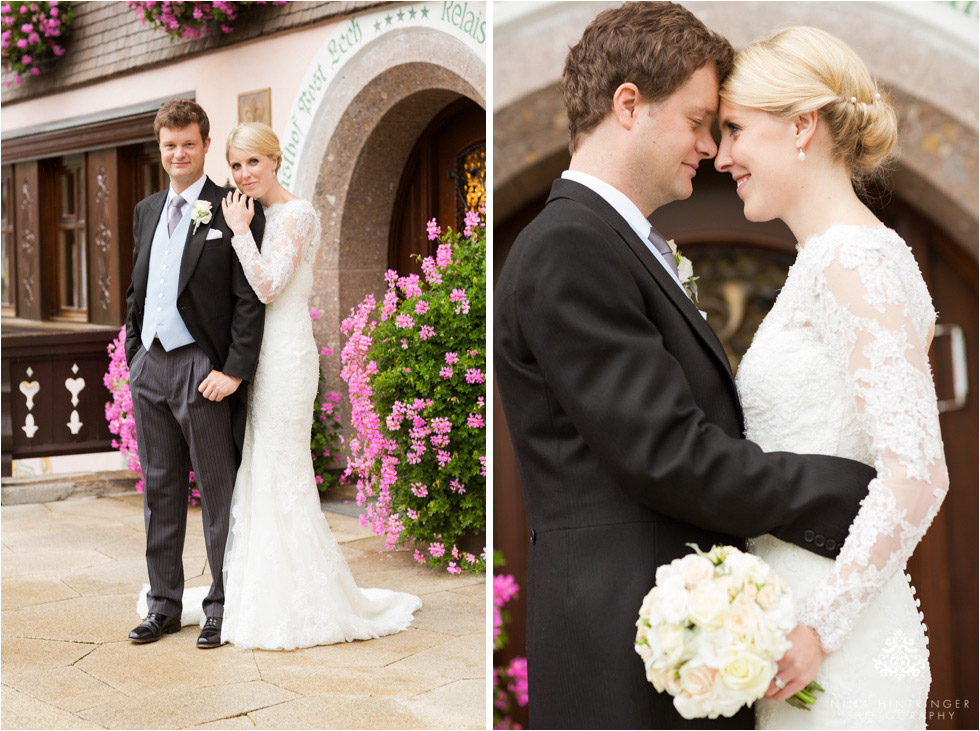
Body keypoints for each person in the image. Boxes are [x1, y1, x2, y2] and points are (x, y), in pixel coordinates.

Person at [493, 4, 877, 729]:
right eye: (701, 121)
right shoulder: (570, 246)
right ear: (628, 104)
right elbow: (670, 454)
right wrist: (851, 489)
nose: (711, 146)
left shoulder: (619, 241)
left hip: (673, 646)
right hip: (620, 658)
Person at [715, 26, 948, 729]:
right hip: (794, 634)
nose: (722, 157)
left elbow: (916, 471)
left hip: (834, 650)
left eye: (734, 130)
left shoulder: (853, 258)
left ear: (801, 126)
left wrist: (819, 629)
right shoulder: (824, 260)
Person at [213, 122, 422, 650]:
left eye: (253, 162)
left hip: (286, 356)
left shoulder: (298, 214)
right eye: (236, 166)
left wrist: (238, 231)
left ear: (275, 159)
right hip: (260, 359)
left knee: (284, 468)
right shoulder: (259, 214)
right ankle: (260, 590)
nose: (244, 174)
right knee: (262, 466)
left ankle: (303, 599)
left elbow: (266, 286)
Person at [125, 98, 266, 649]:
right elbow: (137, 288)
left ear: (207, 145)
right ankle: (163, 605)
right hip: (152, 368)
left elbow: (249, 296)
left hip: (203, 369)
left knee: (217, 492)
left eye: (188, 143)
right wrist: (135, 353)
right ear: (159, 150)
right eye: (169, 145)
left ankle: (221, 604)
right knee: (159, 490)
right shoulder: (146, 210)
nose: (178, 153)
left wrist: (233, 371)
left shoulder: (231, 206)